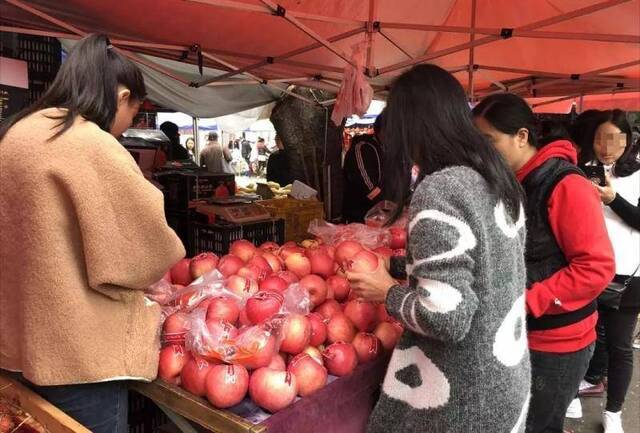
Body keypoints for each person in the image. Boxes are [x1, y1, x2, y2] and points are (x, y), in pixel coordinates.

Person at [0, 34, 185, 433]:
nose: (125, 128)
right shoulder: (89, 143)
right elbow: (147, 250)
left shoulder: (16, 134)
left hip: (18, 341)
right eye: (133, 115)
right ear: (120, 97)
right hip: (78, 355)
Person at [346, 64, 530, 433]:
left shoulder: (442, 190)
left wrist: (389, 293)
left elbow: (448, 318)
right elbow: (484, 266)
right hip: (503, 379)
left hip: (461, 397)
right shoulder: (494, 178)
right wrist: (400, 267)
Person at [472, 93, 616, 433]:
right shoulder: (512, 183)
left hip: (557, 345)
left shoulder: (566, 185)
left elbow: (595, 268)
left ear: (522, 137)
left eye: (489, 141)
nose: (481, 152)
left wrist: (528, 301)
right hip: (519, 334)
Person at [572, 109, 640, 433]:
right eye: (600, 138)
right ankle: (582, 383)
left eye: (613, 140)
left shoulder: (639, 174)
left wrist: (613, 199)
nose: (605, 146)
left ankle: (613, 412)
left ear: (628, 141)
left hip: (629, 276)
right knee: (584, 334)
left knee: (620, 344)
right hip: (587, 271)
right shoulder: (583, 171)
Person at [342, 112, 385, 223]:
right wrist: (388, 206)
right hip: (360, 217)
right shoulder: (362, 148)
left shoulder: (387, 149)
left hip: (381, 216)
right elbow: (369, 187)